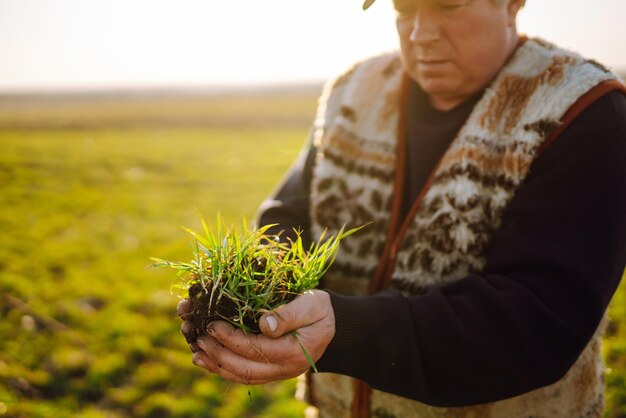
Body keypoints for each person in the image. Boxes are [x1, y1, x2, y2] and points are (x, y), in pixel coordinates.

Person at [178, 0, 626, 416]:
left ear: (513, 3)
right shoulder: (354, 91)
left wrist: (345, 332)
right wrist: (250, 290)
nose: (419, 34)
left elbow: (537, 318)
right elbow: (291, 213)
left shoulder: (582, 111)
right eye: (404, 7)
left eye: (447, 5)